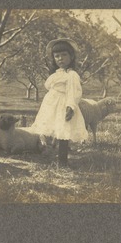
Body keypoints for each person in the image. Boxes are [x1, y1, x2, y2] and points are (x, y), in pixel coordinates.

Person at [30, 38, 88, 166]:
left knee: (63, 131)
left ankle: (62, 161)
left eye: (64, 55)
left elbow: (74, 92)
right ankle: (50, 154)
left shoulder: (71, 75)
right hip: (51, 105)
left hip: (63, 104)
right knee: (52, 129)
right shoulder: (56, 73)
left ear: (71, 57)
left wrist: (71, 106)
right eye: (57, 56)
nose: (60, 59)